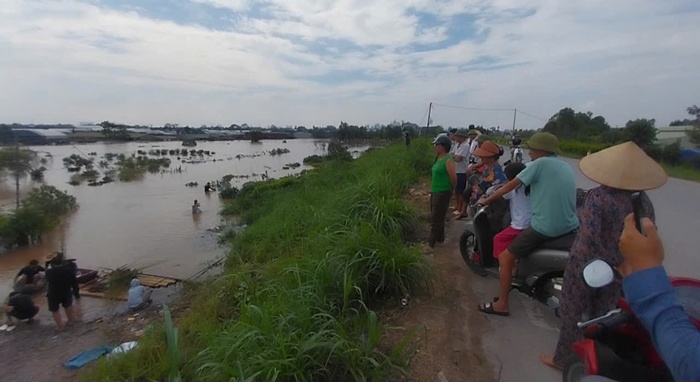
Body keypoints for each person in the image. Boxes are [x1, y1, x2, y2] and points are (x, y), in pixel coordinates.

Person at [540, 141, 666, 369]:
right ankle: (597, 362)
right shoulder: (641, 199)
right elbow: (648, 232)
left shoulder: (598, 196)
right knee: (605, 317)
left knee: (573, 311)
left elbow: (589, 237)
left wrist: (594, 259)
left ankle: (563, 359)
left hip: (588, 265)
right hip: (621, 267)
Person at [477, 132, 579, 316]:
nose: (529, 152)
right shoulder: (564, 165)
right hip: (569, 225)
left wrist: (486, 200)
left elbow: (509, 186)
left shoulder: (539, 164)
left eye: (532, 149)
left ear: (542, 150)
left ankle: (502, 304)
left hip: (546, 226)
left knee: (505, 257)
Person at [618, 214, 700, 382]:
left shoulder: (598, 200)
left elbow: (690, 363)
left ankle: (559, 357)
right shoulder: (642, 203)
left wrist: (647, 267)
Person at [456, 140, 506, 219]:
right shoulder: (488, 168)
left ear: (491, 157)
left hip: (489, 209)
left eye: (483, 156)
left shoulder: (497, 173)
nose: (480, 157)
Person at [492, 162, 531, 261]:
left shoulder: (514, 188)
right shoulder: (529, 187)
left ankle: (505, 265)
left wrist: (486, 199)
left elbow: (502, 193)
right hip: (532, 223)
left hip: (520, 225)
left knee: (498, 239)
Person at [429, 135, 456, 248]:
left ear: (444, 146)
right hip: (435, 191)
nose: (435, 147)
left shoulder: (448, 159)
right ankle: (440, 239)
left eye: (437, 145)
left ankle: (431, 243)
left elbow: (453, 178)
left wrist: (451, 190)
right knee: (437, 216)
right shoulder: (438, 157)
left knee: (436, 217)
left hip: (443, 192)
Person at [45, 254, 78, 331]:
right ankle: (70, 321)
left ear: (52, 263)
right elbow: (74, 282)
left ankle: (60, 327)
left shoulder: (49, 272)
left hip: (53, 292)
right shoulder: (68, 270)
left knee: (55, 309)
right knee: (68, 305)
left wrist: (47, 264)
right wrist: (76, 293)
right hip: (66, 290)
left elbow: (47, 278)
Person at [451, 129, 471, 219]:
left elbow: (458, 158)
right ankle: (457, 206)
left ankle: (460, 209)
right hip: (456, 170)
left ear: (462, 137)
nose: (455, 137)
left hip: (462, 171)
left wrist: (454, 156)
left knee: (460, 192)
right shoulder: (457, 145)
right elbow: (452, 154)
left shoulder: (465, 146)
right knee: (456, 190)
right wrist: (454, 156)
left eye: (457, 136)